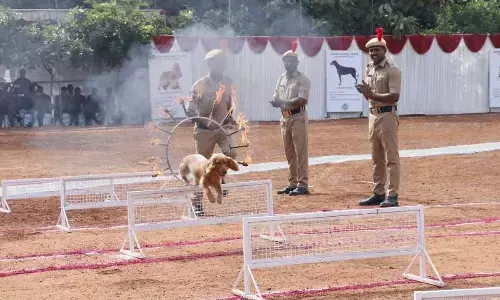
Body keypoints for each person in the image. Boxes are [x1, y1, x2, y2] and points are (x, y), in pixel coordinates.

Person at [184, 47, 238, 215]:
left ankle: (221, 177)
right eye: (218, 62)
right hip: (204, 132)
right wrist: (203, 121)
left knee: (231, 151)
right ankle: (197, 203)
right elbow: (189, 109)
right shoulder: (199, 85)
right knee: (200, 168)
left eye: (224, 62)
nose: (222, 65)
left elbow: (230, 104)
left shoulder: (227, 82)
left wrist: (231, 118)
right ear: (210, 64)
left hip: (222, 128)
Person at [356, 28, 402, 208]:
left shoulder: (393, 70)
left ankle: (392, 195)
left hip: (388, 115)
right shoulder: (369, 69)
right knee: (376, 158)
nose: (373, 53)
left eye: (377, 50)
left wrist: (371, 93)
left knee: (391, 157)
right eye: (371, 50)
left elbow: (394, 96)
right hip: (373, 116)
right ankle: (378, 192)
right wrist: (365, 92)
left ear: (385, 50)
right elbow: (370, 96)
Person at [269, 41, 311, 196]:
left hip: (298, 116)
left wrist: (283, 102)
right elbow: (276, 95)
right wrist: (275, 101)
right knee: (289, 152)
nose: (289, 63)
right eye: (286, 61)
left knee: (300, 151)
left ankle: (303, 184)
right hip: (284, 119)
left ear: (297, 63)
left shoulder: (302, 79)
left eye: (292, 61)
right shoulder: (281, 79)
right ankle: (292, 182)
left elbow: (302, 100)